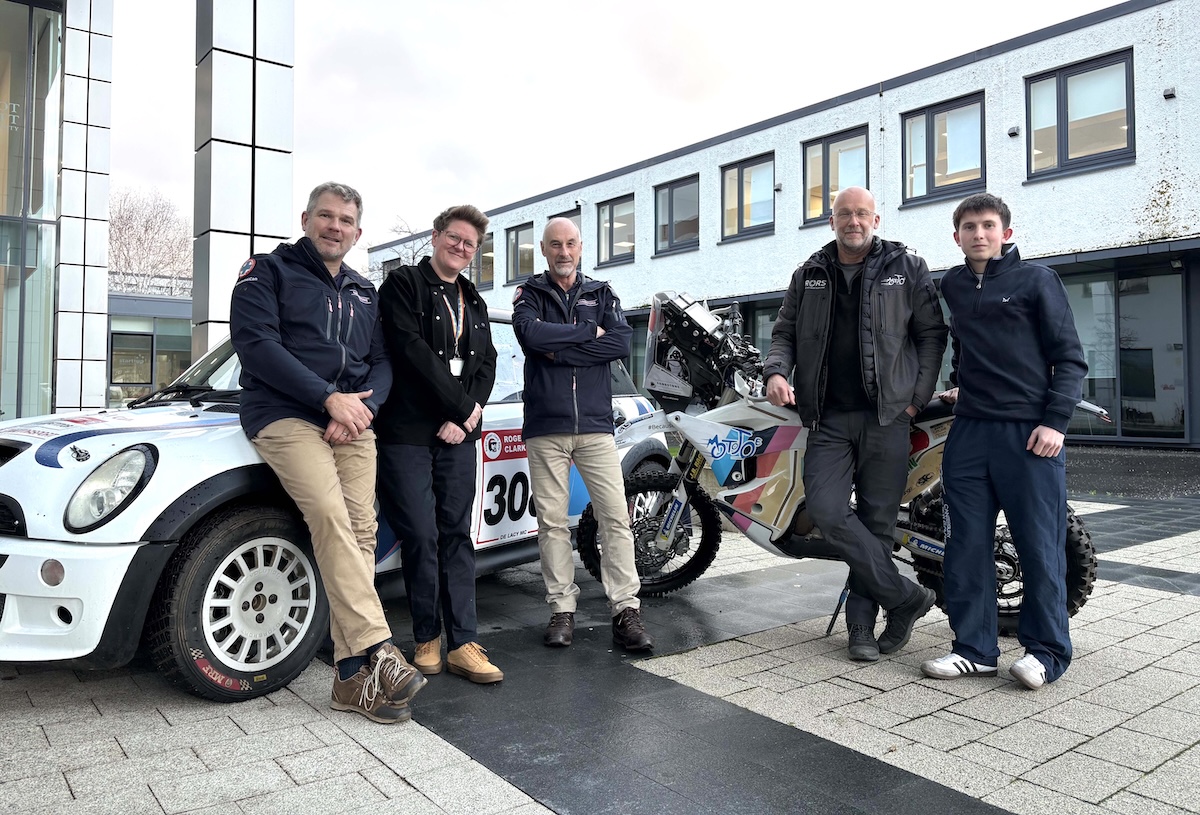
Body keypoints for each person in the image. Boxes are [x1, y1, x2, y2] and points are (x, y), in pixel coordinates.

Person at [230, 181, 425, 724]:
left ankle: (349, 680)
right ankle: (380, 648)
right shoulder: (266, 271)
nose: (334, 226)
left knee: (363, 532)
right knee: (332, 518)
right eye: (325, 216)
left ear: (358, 233)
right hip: (284, 414)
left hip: (352, 420)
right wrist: (326, 398)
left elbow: (384, 363)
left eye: (345, 220)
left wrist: (358, 409)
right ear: (306, 218)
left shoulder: (366, 290)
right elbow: (256, 345)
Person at [763, 186, 948, 662]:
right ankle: (905, 598)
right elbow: (783, 332)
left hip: (888, 418)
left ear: (876, 218)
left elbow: (931, 336)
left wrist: (916, 401)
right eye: (844, 214)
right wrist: (777, 371)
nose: (853, 221)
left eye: (862, 214)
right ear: (832, 221)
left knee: (876, 523)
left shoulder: (907, 269)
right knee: (826, 511)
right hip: (827, 418)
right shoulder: (810, 273)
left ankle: (862, 629)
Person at [922, 192, 1087, 690]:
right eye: (969, 227)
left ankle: (1048, 652)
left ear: (1006, 232)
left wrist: (1055, 423)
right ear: (957, 237)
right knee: (965, 545)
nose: (979, 234)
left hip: (1028, 435)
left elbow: (1070, 358)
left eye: (988, 225)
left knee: (1039, 546)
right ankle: (975, 649)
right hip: (970, 431)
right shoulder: (951, 283)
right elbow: (966, 346)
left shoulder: (1038, 280)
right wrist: (961, 381)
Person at [374, 205, 502, 685]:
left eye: (470, 244)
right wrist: (462, 410)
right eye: (454, 238)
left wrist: (467, 417)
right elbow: (411, 353)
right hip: (407, 433)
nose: (461, 248)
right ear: (436, 236)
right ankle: (426, 637)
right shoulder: (403, 285)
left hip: (456, 436)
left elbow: (486, 362)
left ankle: (463, 643)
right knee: (421, 536)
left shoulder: (473, 298)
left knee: (456, 535)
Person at [512, 217, 653, 652]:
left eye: (570, 243)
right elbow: (530, 334)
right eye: (555, 244)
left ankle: (625, 611)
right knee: (552, 524)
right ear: (543, 248)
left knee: (615, 518)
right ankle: (561, 610)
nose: (564, 251)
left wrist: (559, 348)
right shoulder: (529, 294)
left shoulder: (601, 293)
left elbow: (618, 344)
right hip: (546, 426)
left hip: (594, 426)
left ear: (581, 246)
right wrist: (585, 334)